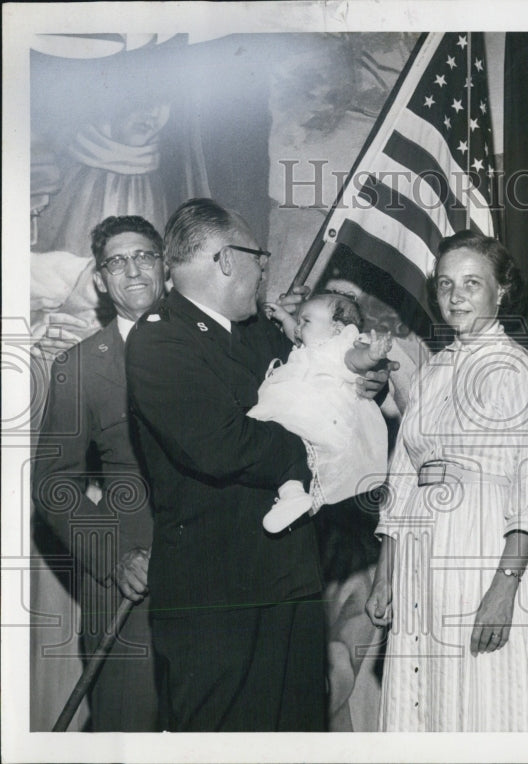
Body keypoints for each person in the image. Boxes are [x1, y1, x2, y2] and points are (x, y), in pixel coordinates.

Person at [125, 197, 388, 731]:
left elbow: (323, 379)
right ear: (225, 260)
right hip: (215, 601)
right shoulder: (159, 337)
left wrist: (364, 387)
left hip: (287, 584)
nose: (264, 267)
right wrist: (315, 453)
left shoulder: (257, 331)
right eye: (257, 256)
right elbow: (220, 443)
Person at [365, 231, 528, 732]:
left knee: (489, 700)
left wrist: (504, 589)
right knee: (428, 700)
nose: (456, 296)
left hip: (486, 555)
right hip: (420, 559)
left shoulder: (520, 370)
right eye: (447, 284)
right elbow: (402, 479)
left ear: (501, 291)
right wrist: (384, 575)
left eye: (472, 283)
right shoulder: (431, 375)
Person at [32, 215, 165, 731]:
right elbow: (52, 482)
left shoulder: (217, 348)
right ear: (102, 281)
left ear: (165, 268)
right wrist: (116, 558)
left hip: (214, 583)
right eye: (117, 261)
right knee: (129, 733)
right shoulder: (82, 366)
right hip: (130, 588)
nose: (132, 269)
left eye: (144, 256)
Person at [251, 291, 392, 532]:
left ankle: (299, 495)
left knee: (284, 445)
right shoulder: (310, 345)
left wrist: (371, 355)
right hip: (299, 412)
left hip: (321, 415)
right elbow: (295, 332)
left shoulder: (339, 345)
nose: (298, 328)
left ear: (338, 329)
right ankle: (292, 495)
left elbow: (354, 359)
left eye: (306, 321)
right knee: (288, 454)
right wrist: (285, 318)